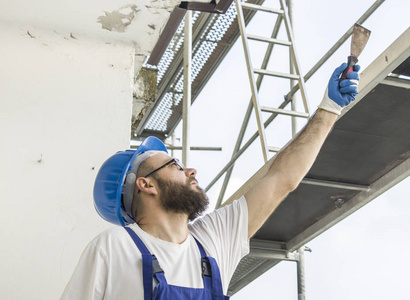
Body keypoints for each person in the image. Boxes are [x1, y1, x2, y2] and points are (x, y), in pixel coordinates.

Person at [61, 63, 360, 300]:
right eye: (174, 165)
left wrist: (329, 109)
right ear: (146, 185)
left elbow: (281, 179)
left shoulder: (213, 239)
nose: (190, 171)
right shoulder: (113, 248)